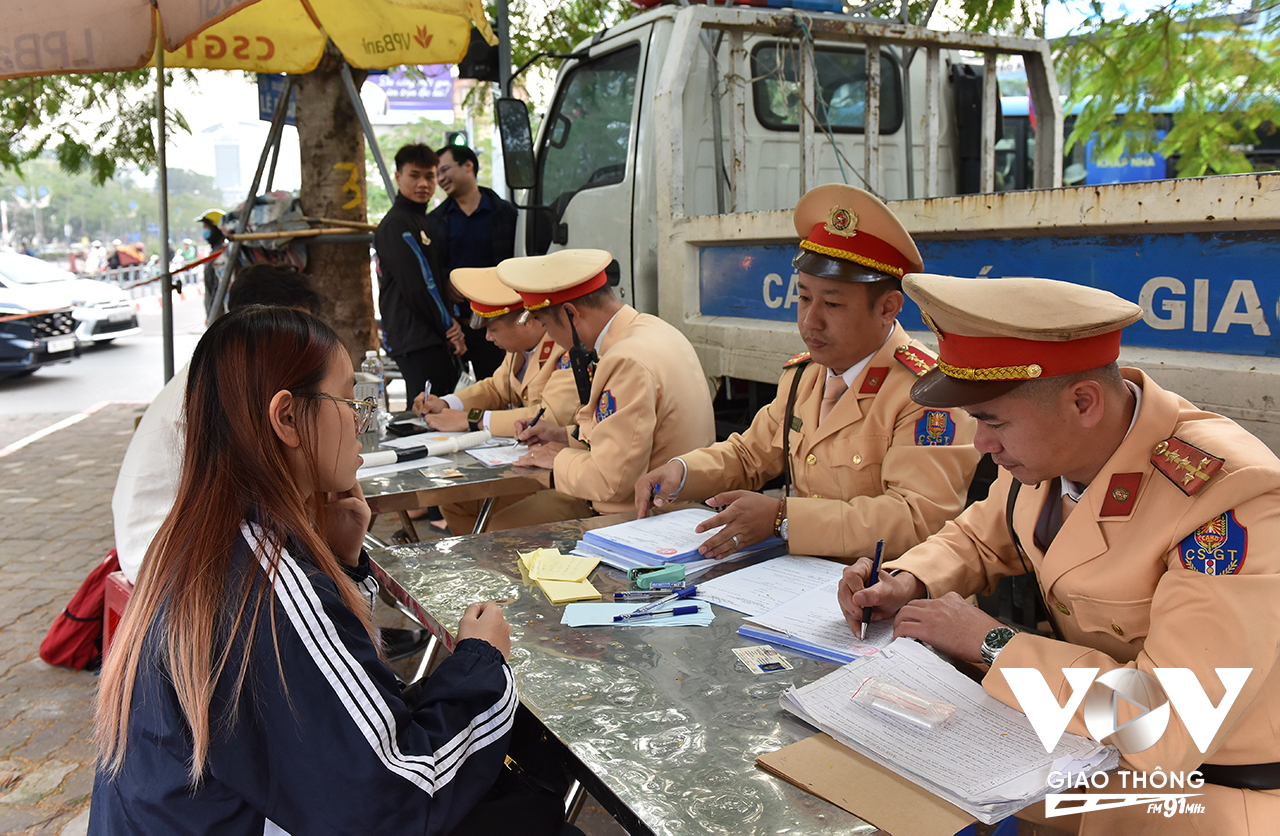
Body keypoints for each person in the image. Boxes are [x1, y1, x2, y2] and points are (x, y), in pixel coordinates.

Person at [838, 273, 1280, 834]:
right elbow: (980, 535)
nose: (981, 445)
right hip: (1080, 753)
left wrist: (992, 642)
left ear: (1083, 401)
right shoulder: (1049, 455)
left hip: (1196, 795)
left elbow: (1167, 725)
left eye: (994, 421)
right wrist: (907, 579)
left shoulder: (1225, 500)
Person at [89, 305, 543, 835]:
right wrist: (482, 661)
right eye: (349, 400)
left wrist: (341, 566)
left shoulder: (206, 538)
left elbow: (331, 717)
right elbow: (395, 794)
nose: (361, 419)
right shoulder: (267, 584)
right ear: (285, 418)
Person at [635, 185, 980, 562]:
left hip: (892, 596)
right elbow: (751, 454)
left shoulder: (926, 392)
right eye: (803, 297)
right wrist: (680, 471)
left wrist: (784, 519)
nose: (810, 320)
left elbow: (918, 519)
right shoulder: (806, 376)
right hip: (807, 580)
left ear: (888, 308)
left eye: (832, 303)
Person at [112, 263, 322, 585]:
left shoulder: (224, 370)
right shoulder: (228, 387)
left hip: (160, 549)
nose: (305, 348)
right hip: (166, 563)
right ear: (260, 326)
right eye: (296, 332)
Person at [493, 248, 716, 528]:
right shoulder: (652, 330)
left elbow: (612, 482)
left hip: (644, 517)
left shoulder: (625, 359)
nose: (551, 336)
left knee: (502, 527)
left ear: (571, 314)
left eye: (547, 325)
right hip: (667, 504)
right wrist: (563, 437)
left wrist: (559, 459)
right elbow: (630, 436)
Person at [412, 266, 579, 534]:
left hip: (561, 474)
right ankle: (478, 566)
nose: (488, 337)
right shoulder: (519, 350)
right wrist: (446, 403)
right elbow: (495, 387)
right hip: (531, 465)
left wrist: (472, 420)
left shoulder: (566, 347)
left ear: (528, 321)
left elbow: (549, 416)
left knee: (497, 529)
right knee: (454, 502)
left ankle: (491, 564)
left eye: (493, 328)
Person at [375, 144, 467, 406]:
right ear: (398, 177)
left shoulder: (420, 220)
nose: (423, 184)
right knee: (428, 414)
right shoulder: (397, 224)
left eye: (429, 176)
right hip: (416, 339)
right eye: (414, 176)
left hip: (427, 337)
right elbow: (421, 286)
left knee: (437, 410)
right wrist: (450, 327)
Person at [427, 144, 518, 379]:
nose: (441, 178)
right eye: (437, 174)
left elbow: (515, 262)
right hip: (456, 327)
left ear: (468, 166)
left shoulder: (505, 213)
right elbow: (432, 267)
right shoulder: (435, 221)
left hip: (499, 321)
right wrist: (447, 279)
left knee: (499, 387)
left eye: (445, 169)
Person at [195, 209, 227, 316]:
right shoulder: (215, 251)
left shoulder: (222, 253)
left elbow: (218, 289)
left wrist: (215, 315)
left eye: (206, 227)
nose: (204, 230)